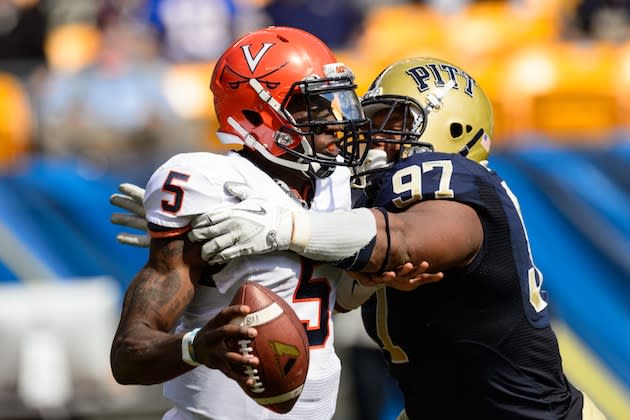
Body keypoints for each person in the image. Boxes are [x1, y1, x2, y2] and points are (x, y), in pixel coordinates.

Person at [187, 57, 606, 419]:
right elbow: (339, 288)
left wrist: (287, 225)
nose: (375, 138)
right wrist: (192, 218)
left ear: (453, 127)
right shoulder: (380, 201)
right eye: (372, 123)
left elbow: (402, 239)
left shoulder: (463, 184)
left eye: (395, 121)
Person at [109, 26, 375, 420]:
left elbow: (321, 303)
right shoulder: (210, 188)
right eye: (314, 108)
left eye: (332, 104)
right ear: (258, 113)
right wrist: (196, 347)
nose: (334, 123)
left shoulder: (337, 186)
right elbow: (129, 355)